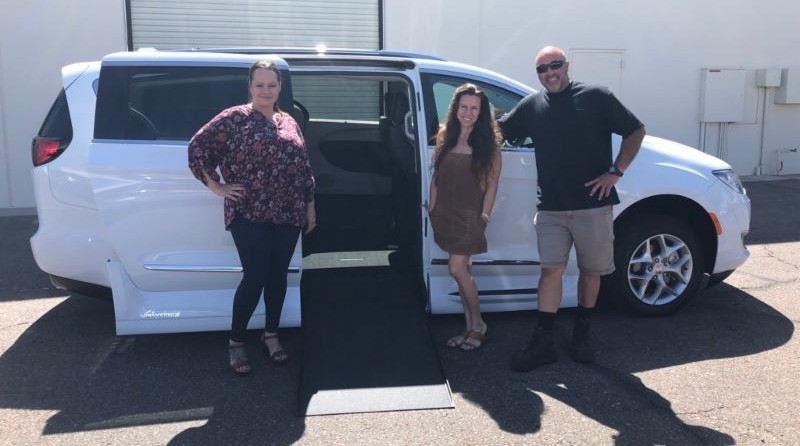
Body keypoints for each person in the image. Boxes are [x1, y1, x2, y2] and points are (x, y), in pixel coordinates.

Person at [498, 46, 646, 371]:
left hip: (593, 207)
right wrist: (458, 127)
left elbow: (635, 130)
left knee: (591, 272)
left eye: (554, 65)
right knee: (550, 270)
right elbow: (499, 131)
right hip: (551, 208)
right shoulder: (533, 105)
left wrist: (616, 172)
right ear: (536, 74)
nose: (549, 73)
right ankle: (544, 341)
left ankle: (582, 333)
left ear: (567, 65)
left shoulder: (596, 96)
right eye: (542, 69)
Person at [188, 60, 316, 376]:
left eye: (271, 85)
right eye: (259, 85)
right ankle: (235, 341)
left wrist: (309, 204)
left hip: (288, 210)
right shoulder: (234, 118)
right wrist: (216, 186)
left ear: (279, 88)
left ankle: (271, 335)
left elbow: (303, 166)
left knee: (278, 276)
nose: (265, 90)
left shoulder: (289, 121)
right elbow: (197, 148)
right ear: (250, 86)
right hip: (249, 210)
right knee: (255, 275)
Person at [429, 83, 502, 351]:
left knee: (456, 269)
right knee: (463, 272)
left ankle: (479, 324)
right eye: (463, 107)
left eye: (474, 108)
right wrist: (433, 208)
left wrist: (484, 215)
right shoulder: (446, 135)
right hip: (444, 214)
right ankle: (469, 326)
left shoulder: (489, 145)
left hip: (471, 217)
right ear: (455, 109)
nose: (468, 112)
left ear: (481, 112)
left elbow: (493, 184)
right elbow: (437, 175)